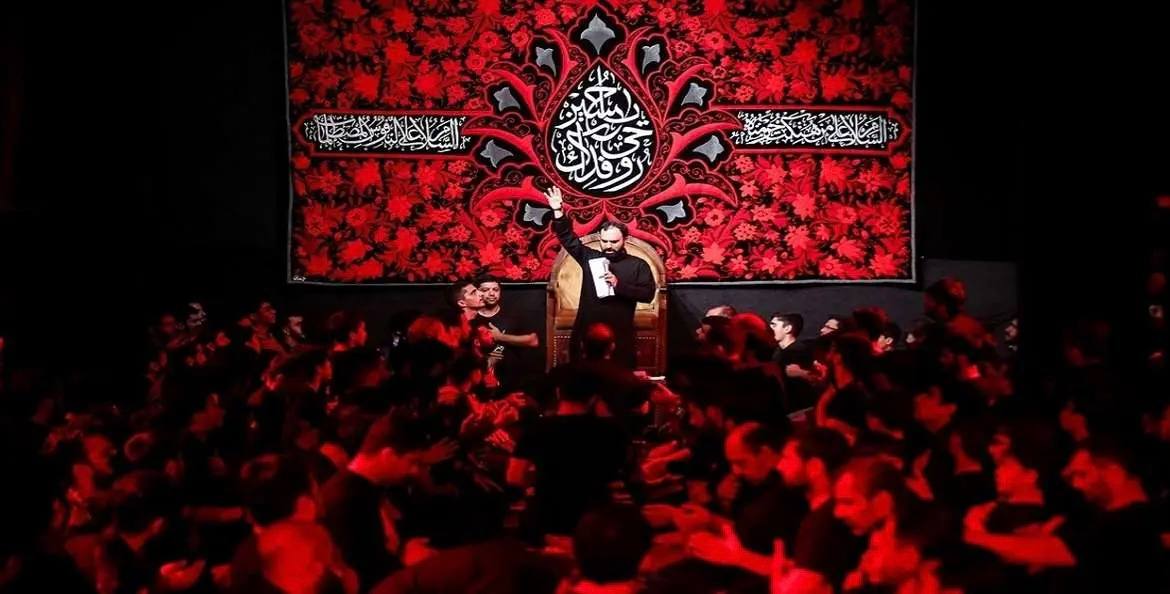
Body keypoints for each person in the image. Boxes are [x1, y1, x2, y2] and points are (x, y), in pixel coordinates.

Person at [544, 185, 655, 368]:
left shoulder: (638, 264)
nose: (608, 245)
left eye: (614, 241)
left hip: (619, 335)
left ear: (625, 239)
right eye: (604, 241)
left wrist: (618, 285)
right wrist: (558, 211)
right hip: (587, 332)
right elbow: (568, 239)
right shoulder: (590, 257)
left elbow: (647, 294)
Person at [476, 275, 540, 389]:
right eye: (485, 290)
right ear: (477, 292)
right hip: (478, 379)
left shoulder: (513, 314)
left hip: (511, 379)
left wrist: (500, 337)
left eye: (495, 290)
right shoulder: (471, 317)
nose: (491, 293)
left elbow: (533, 341)